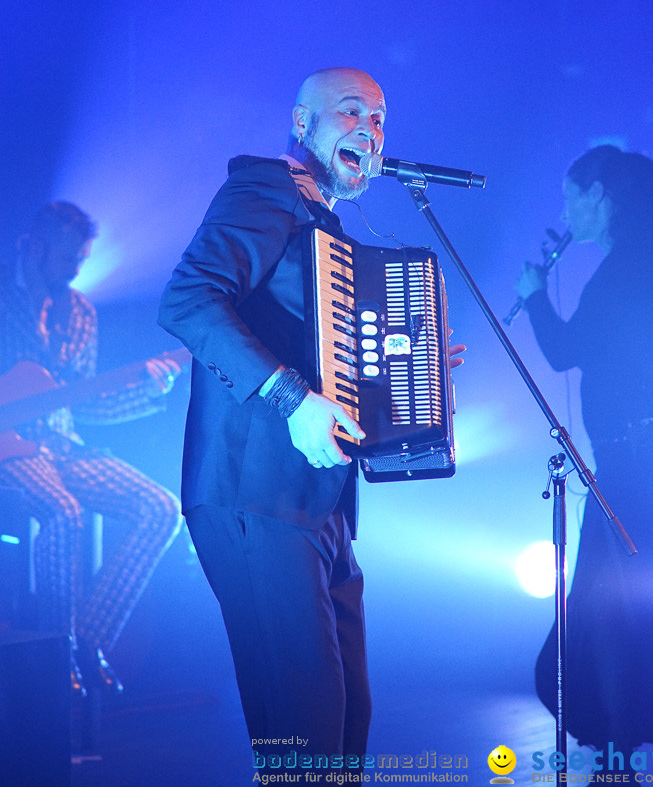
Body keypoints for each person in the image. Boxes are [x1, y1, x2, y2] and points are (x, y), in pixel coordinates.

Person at [158, 68, 462, 781]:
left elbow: (324, 351)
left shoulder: (325, 221)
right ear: (303, 123)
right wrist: (295, 400)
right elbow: (189, 302)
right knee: (306, 731)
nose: (370, 129)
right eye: (350, 111)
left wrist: (414, 362)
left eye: (381, 119)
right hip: (253, 491)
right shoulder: (263, 190)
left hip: (319, 504)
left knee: (345, 722)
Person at [515, 145, 653, 762]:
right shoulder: (640, 261)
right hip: (638, 457)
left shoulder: (628, 268)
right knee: (623, 609)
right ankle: (634, 739)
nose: (566, 210)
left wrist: (534, 296)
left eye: (571, 195)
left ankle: (649, 736)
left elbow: (565, 351)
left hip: (637, 460)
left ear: (600, 196)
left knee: (637, 607)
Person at [0, 202, 182, 695]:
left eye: (80, 260)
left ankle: (80, 645)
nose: (74, 270)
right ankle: (55, 658)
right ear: (33, 248)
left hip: (63, 444)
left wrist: (146, 388)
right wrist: (35, 312)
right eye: (64, 259)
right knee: (64, 513)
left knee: (161, 508)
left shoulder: (79, 310)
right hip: (9, 447)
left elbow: (84, 405)